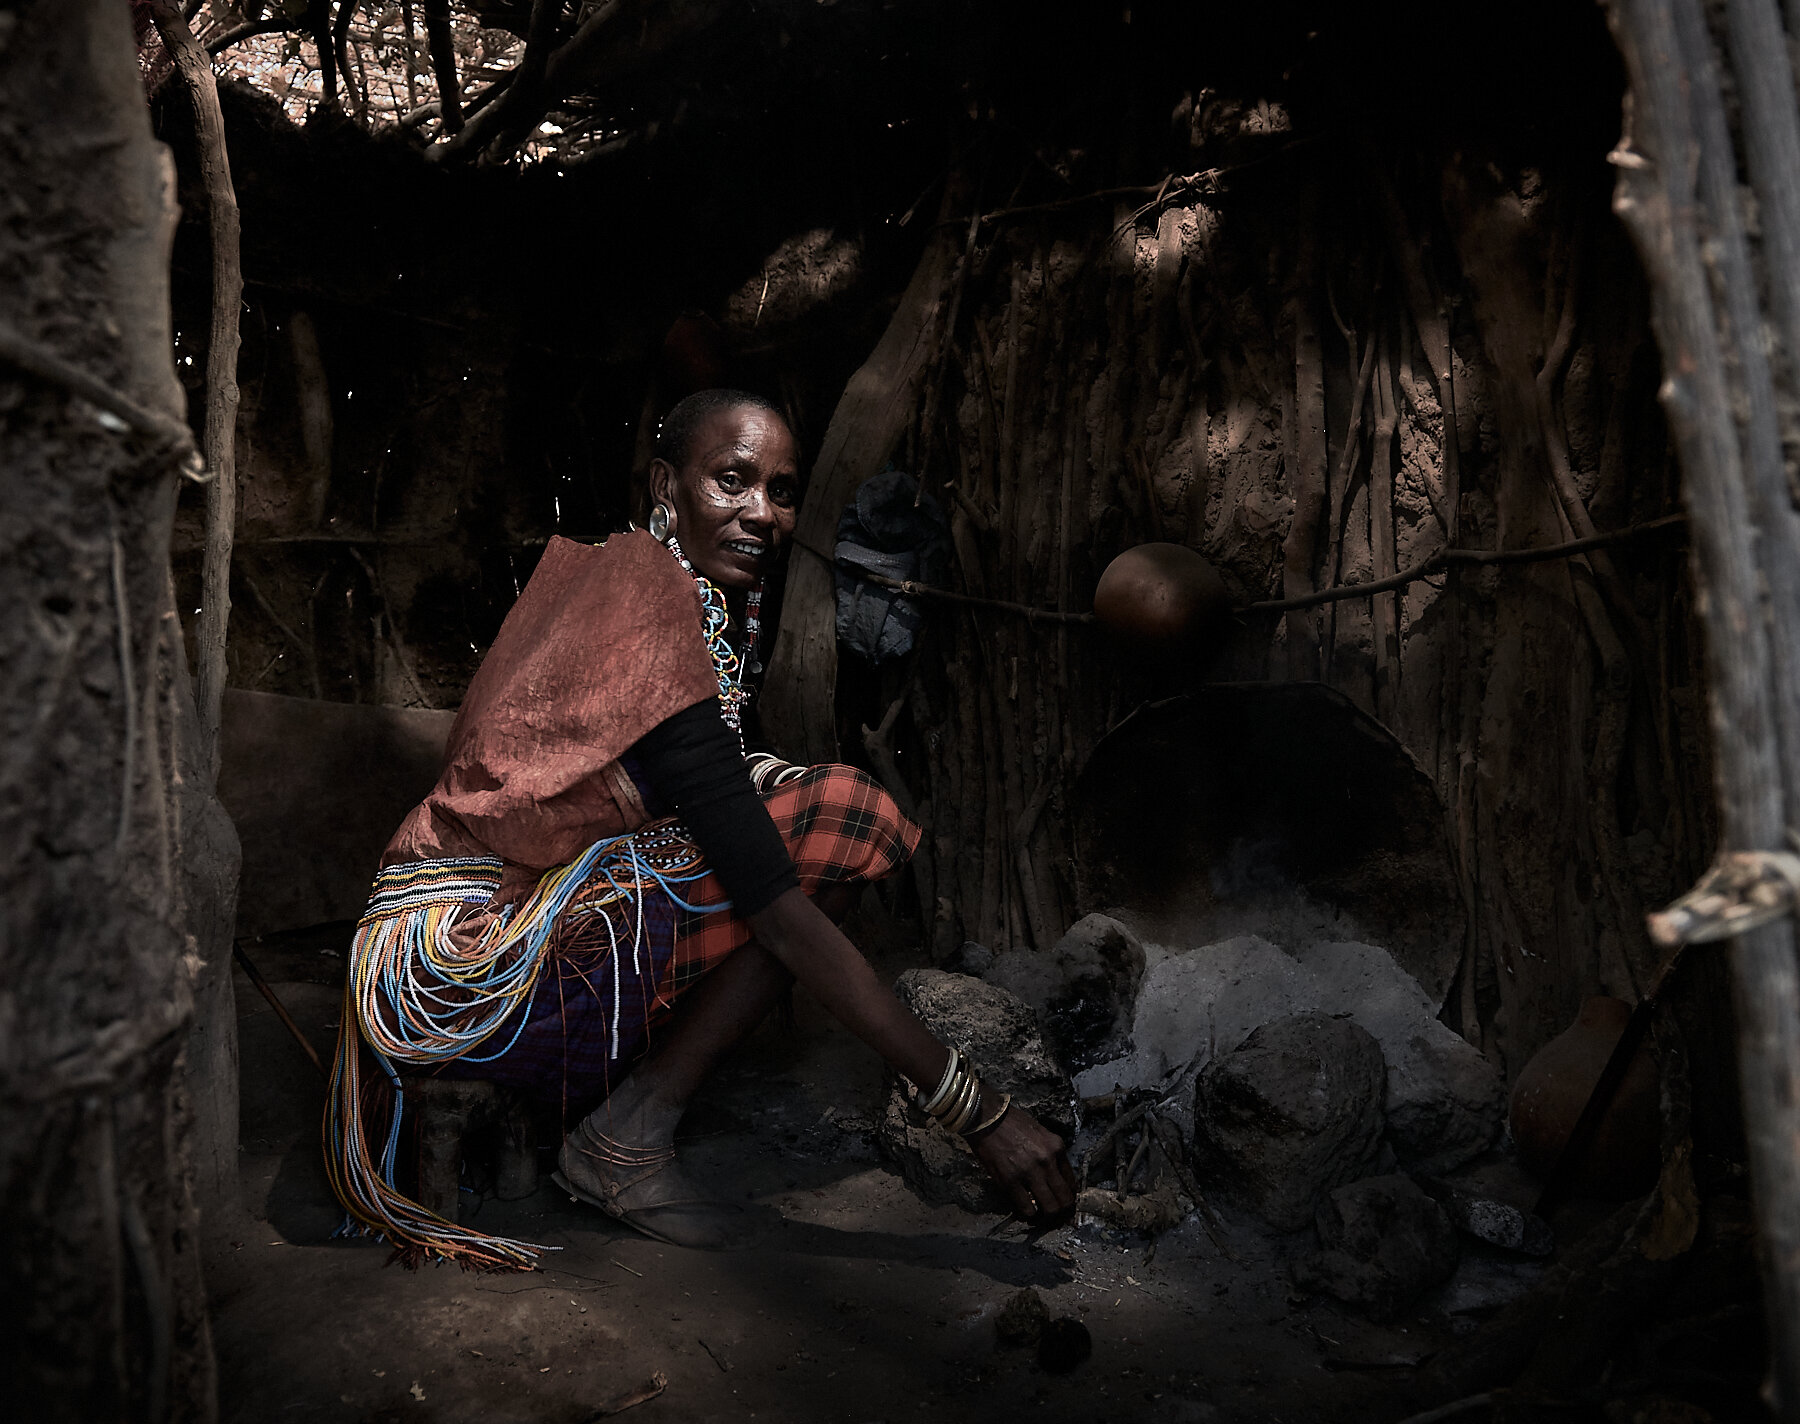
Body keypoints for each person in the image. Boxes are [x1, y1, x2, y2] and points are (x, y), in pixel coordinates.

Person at [324, 389, 1076, 1265]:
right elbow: (779, 911)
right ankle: (624, 1142)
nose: (763, 513)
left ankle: (614, 1126)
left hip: (437, 959)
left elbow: (671, 779)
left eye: (783, 491)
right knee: (846, 819)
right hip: (458, 985)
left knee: (779, 818)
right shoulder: (651, 620)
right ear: (664, 485)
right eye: (732, 481)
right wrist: (977, 1111)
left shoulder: (618, 581)